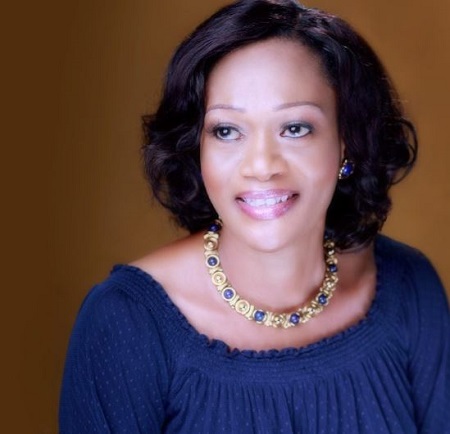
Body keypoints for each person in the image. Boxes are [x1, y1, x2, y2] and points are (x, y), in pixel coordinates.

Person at [59, 0, 449, 432]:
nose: (261, 166)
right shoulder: (126, 324)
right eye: (227, 131)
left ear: (347, 142)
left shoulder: (410, 288)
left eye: (295, 128)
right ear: (197, 147)